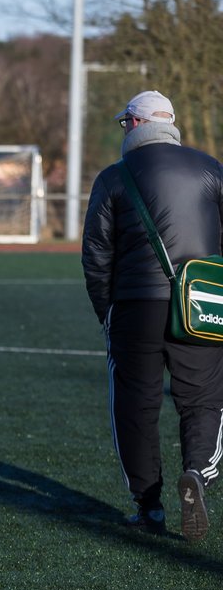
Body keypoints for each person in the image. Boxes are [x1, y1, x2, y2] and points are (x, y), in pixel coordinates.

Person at [82, 89, 223, 541]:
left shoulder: (113, 177)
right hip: (200, 303)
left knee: (135, 407)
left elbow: (96, 255)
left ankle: (149, 507)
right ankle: (197, 475)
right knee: (203, 399)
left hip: (134, 308)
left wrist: (107, 311)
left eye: (126, 123)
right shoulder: (210, 169)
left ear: (138, 124)